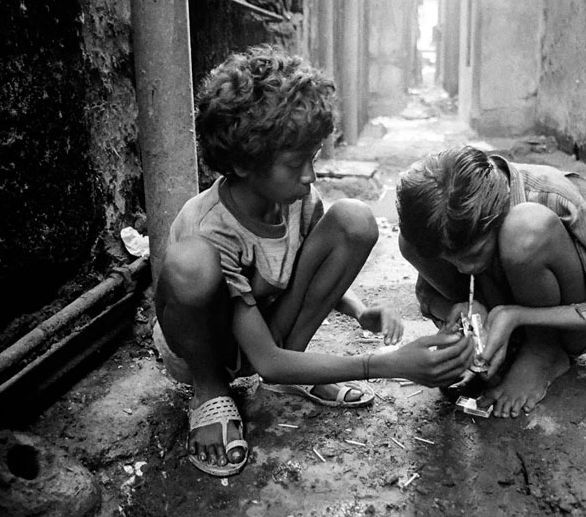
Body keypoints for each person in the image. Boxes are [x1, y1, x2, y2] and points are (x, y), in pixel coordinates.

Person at [153, 45, 473, 477]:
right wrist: (387, 365)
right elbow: (264, 360)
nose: (311, 176)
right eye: (295, 163)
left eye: (314, 157)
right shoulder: (211, 227)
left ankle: (298, 364)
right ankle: (210, 393)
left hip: (268, 332)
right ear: (244, 163)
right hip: (207, 348)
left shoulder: (293, 199)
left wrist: (359, 309)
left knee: (353, 220)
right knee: (190, 263)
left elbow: (303, 263)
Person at [396, 146, 586, 419]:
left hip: (567, 328)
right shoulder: (445, 222)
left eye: (474, 255)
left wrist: (517, 316)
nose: (463, 270)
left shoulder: (552, 195)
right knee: (410, 243)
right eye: (451, 261)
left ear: (496, 215)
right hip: (502, 314)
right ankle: (496, 345)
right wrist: (465, 311)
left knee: (525, 231)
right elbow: (427, 297)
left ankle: (543, 353)